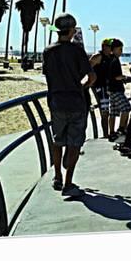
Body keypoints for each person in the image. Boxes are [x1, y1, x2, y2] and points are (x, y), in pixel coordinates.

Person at [42, 13, 96, 197]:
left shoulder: (48, 51)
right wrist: (82, 87)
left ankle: (56, 175)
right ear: (72, 30)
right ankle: (68, 183)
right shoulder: (77, 51)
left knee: (57, 141)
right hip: (76, 102)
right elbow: (91, 77)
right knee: (74, 144)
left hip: (56, 102)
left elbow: (47, 74)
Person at [107, 39, 131, 141]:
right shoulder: (115, 60)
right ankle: (121, 129)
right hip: (116, 89)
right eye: (120, 49)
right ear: (114, 49)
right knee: (126, 108)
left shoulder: (110, 59)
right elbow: (116, 76)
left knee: (112, 112)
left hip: (111, 89)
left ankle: (111, 133)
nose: (121, 51)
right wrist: (125, 78)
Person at [89, 38, 113, 138]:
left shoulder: (111, 57)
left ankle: (109, 132)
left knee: (108, 110)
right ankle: (105, 134)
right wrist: (92, 79)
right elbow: (87, 67)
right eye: (109, 46)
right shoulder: (98, 57)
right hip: (100, 86)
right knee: (104, 111)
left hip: (108, 87)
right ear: (104, 47)